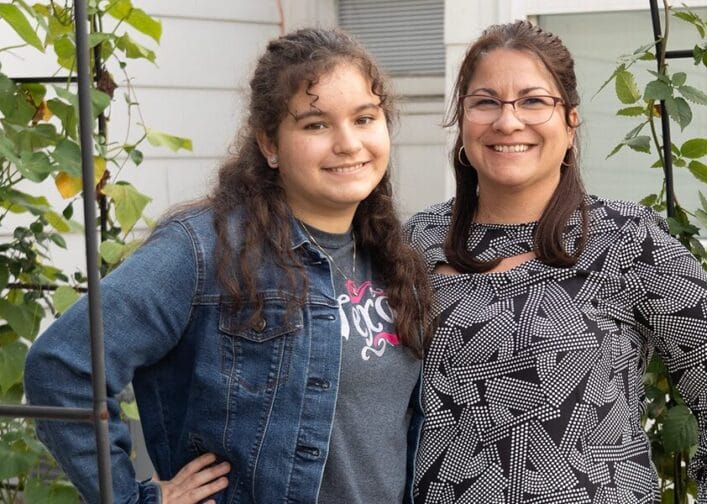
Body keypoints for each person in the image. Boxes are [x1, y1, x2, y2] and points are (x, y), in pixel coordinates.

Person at [24, 27, 430, 504]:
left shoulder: (395, 256)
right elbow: (63, 367)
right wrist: (134, 500)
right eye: (316, 125)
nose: (348, 143)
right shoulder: (205, 250)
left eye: (365, 118)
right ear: (270, 144)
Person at [405, 20, 707, 503]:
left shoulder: (625, 239)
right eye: (485, 101)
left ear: (571, 119)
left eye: (534, 101)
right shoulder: (417, 239)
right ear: (463, 118)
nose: (508, 121)